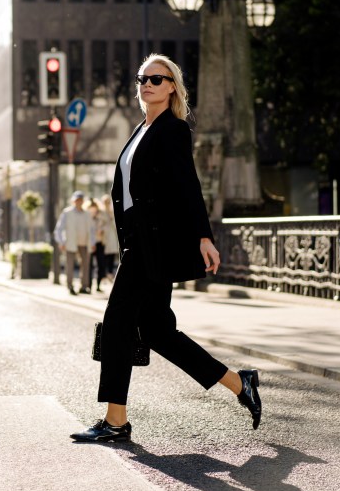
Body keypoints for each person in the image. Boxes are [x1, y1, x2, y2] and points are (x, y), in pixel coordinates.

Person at [71, 54, 262, 442]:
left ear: (172, 86)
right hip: (137, 245)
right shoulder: (141, 128)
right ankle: (240, 384)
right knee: (157, 332)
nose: (147, 85)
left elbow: (187, 186)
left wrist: (203, 236)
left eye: (156, 79)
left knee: (118, 322)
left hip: (151, 245)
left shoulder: (173, 130)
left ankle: (116, 421)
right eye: (142, 78)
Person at [54, 191, 95, 295]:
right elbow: (59, 229)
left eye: (80, 200)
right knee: (70, 265)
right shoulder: (67, 213)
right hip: (71, 242)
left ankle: (84, 286)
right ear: (73, 201)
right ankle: (70, 285)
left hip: (84, 243)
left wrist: (93, 242)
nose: (79, 202)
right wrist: (61, 242)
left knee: (85, 265)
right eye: (77, 200)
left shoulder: (87, 214)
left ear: (83, 201)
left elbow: (91, 229)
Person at [87, 198, 107, 293]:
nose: (93, 210)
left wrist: (102, 229)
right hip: (90, 244)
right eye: (91, 208)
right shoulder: (86, 217)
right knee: (89, 265)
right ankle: (89, 286)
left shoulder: (101, 216)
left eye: (94, 208)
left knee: (101, 265)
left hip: (99, 243)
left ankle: (98, 285)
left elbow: (107, 225)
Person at [100, 193, 119, 282]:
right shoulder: (101, 212)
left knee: (111, 257)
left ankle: (110, 274)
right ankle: (104, 275)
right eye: (105, 202)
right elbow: (100, 225)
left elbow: (115, 225)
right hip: (104, 238)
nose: (107, 203)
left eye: (108, 202)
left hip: (112, 237)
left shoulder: (113, 212)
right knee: (104, 257)